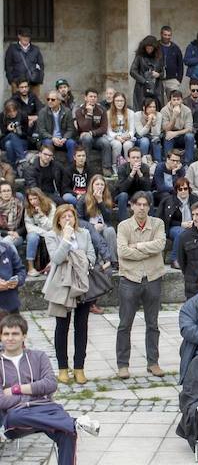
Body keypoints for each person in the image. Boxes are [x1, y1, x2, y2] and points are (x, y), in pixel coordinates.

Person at [0, 314, 101, 465]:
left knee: (68, 434)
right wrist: (33, 394)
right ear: (0, 337)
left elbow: (50, 384)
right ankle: (73, 422)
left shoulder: (39, 357)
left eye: (15, 334)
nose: (10, 338)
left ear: (24, 336)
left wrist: (16, 389)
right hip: (17, 417)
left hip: (46, 409)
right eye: (6, 334)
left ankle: (70, 425)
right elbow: (1, 401)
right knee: (17, 417)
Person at [114, 191, 166, 379]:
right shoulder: (124, 226)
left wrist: (137, 246)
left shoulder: (158, 224)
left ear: (149, 206)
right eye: (139, 204)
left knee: (153, 324)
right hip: (130, 279)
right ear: (132, 205)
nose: (142, 208)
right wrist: (146, 250)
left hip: (153, 278)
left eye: (145, 204)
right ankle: (122, 364)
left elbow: (160, 245)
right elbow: (123, 252)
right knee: (124, 324)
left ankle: (153, 362)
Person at [43, 204, 94, 385]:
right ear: (58, 219)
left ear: (75, 218)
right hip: (61, 287)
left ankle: (79, 367)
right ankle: (63, 368)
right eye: (63, 217)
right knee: (61, 327)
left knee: (82, 327)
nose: (67, 220)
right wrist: (65, 240)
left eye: (70, 217)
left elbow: (91, 257)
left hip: (81, 284)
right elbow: (56, 258)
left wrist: (73, 259)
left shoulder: (84, 234)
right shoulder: (51, 236)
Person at [76, 174, 118, 270]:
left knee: (110, 230)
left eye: (102, 185)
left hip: (104, 227)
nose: (99, 187)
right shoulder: (83, 199)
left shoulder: (107, 198)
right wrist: (92, 226)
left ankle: (113, 261)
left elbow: (109, 217)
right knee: (94, 232)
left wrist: (100, 202)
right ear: (92, 186)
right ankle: (97, 261)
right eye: (97, 184)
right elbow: (79, 220)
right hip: (90, 229)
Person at [36, 90, 77, 161]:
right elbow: (41, 130)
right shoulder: (43, 112)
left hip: (63, 139)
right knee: (47, 143)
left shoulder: (67, 111)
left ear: (59, 101)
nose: (50, 101)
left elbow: (70, 129)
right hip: (50, 138)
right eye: (48, 99)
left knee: (72, 143)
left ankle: (72, 165)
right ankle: (50, 164)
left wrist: (65, 138)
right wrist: (53, 138)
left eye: (53, 100)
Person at [114, 146, 152, 221]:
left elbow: (147, 188)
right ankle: (123, 223)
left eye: (138, 157)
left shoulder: (145, 168)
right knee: (123, 195)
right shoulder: (122, 168)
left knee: (149, 194)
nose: (135, 160)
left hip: (139, 195)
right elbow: (122, 189)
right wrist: (131, 175)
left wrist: (140, 174)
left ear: (141, 158)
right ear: (128, 159)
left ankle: (149, 221)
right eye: (133, 157)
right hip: (125, 195)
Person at [23, 188, 55, 276]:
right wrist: (44, 233)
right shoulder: (28, 208)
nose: (33, 201)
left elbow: (52, 225)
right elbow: (29, 227)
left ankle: (53, 263)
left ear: (40, 197)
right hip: (38, 232)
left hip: (50, 231)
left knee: (54, 234)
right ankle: (30, 267)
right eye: (30, 199)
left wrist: (41, 215)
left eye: (35, 198)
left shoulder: (51, 206)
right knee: (32, 237)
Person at [4, 27, 44, 94]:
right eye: (24, 36)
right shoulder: (12, 48)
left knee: (34, 102)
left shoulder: (35, 49)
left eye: (28, 36)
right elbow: (8, 65)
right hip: (17, 82)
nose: (26, 38)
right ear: (19, 36)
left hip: (33, 82)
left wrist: (39, 79)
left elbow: (41, 65)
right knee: (17, 102)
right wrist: (11, 80)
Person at [129, 35, 164, 111]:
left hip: (156, 87)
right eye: (147, 48)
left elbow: (163, 73)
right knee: (141, 108)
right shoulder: (139, 56)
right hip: (142, 87)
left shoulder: (159, 57)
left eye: (151, 48)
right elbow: (132, 71)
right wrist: (144, 81)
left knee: (157, 108)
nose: (149, 50)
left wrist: (158, 75)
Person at [160, 91, 195, 164]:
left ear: (182, 100)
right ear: (170, 100)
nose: (176, 102)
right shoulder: (164, 110)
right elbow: (166, 129)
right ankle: (168, 162)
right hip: (170, 134)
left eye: (178, 99)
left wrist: (175, 133)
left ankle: (188, 163)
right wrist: (174, 116)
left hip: (182, 134)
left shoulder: (187, 110)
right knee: (168, 136)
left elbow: (189, 128)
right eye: (174, 100)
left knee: (190, 136)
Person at [106, 92, 137, 172]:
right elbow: (108, 131)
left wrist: (128, 136)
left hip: (127, 137)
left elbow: (132, 130)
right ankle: (115, 166)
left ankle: (128, 166)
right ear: (113, 102)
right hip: (114, 138)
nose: (119, 103)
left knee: (128, 145)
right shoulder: (108, 113)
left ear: (125, 102)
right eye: (117, 101)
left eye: (121, 101)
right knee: (117, 144)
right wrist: (117, 137)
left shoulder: (130, 113)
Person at [0, 98, 29, 168]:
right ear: (6, 112)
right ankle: (22, 159)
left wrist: (19, 132)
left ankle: (13, 168)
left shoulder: (23, 115)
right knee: (11, 135)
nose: (12, 113)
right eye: (10, 112)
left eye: (14, 111)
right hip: (5, 139)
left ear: (17, 110)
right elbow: (3, 133)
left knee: (9, 144)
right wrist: (8, 130)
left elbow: (27, 134)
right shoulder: (2, 116)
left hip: (21, 141)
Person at [158, 25, 183, 101]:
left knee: (174, 101)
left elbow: (180, 65)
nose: (167, 37)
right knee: (159, 101)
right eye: (165, 35)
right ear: (161, 34)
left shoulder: (175, 48)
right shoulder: (156, 46)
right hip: (159, 79)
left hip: (172, 80)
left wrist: (178, 79)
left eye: (169, 35)